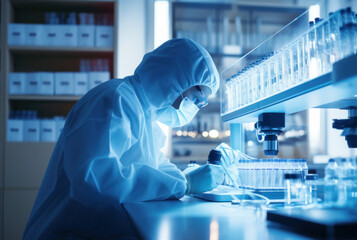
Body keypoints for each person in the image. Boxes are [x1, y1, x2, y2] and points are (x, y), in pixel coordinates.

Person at [23, 39, 231, 239]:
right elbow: (93, 178)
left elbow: (155, 165)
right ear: (174, 78)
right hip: (64, 232)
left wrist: (184, 177)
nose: (197, 104)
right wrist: (184, 183)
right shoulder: (116, 99)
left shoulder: (145, 115)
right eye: (198, 96)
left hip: (88, 230)